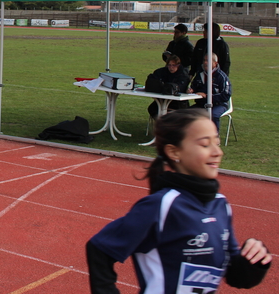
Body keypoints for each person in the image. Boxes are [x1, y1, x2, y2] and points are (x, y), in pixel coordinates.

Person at [86, 108, 271, 293]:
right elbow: (100, 249)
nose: (217, 152)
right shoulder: (161, 206)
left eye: (218, 143)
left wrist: (255, 258)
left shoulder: (221, 205)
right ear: (174, 152)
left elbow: (236, 277)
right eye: (205, 145)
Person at [188, 53, 232, 131]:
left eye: (208, 61)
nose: (205, 63)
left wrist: (207, 96)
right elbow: (194, 86)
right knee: (185, 113)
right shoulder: (200, 74)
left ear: (215, 63)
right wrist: (191, 90)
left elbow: (226, 95)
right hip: (201, 104)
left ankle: (214, 139)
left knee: (213, 115)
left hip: (219, 105)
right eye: (204, 60)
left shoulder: (222, 77)